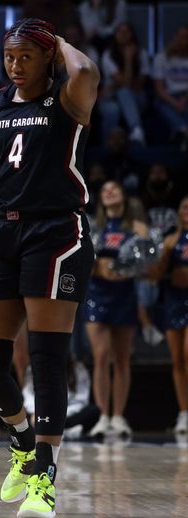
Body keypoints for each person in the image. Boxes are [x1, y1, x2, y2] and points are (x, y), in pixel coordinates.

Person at [0, 19, 99, 518]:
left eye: (26, 56)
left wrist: (57, 42)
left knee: (46, 358)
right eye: (9, 57)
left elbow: (89, 68)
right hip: (1, 235)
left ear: (47, 58)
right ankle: (25, 444)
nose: (15, 65)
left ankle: (45, 481)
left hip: (56, 234)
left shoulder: (68, 95)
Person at [84, 180, 147, 438]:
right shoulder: (92, 226)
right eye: (105, 189)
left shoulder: (137, 228)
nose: (110, 192)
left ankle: (118, 416)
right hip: (96, 295)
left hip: (125, 296)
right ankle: (102, 415)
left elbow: (146, 263)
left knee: (121, 359)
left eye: (115, 188)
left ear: (123, 196)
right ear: (100, 198)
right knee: (100, 357)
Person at [152, 196, 188, 435]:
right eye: (184, 206)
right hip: (174, 301)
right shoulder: (171, 239)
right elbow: (154, 274)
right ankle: (184, 413)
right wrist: (163, 254)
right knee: (177, 360)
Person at [22, 356, 100, 439]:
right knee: (20, 411)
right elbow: (28, 395)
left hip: (67, 415)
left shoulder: (78, 368)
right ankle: (65, 430)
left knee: (93, 411)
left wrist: (59, 415)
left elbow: (81, 400)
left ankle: (56, 429)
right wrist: (37, 412)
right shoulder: (34, 367)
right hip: (40, 414)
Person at [98, 22, 149, 144]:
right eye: (120, 32)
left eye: (127, 31)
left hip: (136, 97)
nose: (123, 35)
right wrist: (128, 59)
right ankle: (132, 131)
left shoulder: (142, 54)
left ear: (132, 35)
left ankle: (136, 131)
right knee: (112, 109)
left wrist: (129, 59)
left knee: (124, 92)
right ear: (115, 35)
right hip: (110, 97)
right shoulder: (108, 55)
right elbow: (127, 82)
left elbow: (139, 84)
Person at [152, 26, 188, 150]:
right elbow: (159, 88)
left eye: (186, 37)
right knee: (160, 104)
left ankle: (182, 134)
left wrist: (184, 99)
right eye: (180, 37)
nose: (182, 41)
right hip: (168, 96)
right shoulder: (161, 58)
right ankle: (183, 130)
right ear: (175, 38)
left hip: (186, 96)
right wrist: (174, 102)